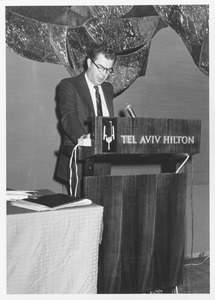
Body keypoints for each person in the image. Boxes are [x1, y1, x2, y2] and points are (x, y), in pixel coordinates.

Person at [55, 44, 116, 194]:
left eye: (108, 70)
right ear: (89, 63)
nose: (103, 74)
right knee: (80, 214)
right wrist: (83, 138)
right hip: (78, 161)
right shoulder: (69, 85)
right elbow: (69, 115)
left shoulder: (108, 89)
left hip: (103, 162)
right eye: (100, 67)